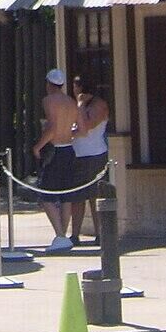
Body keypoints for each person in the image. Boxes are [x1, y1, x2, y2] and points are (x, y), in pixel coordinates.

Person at [32, 67, 81, 252]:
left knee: (46, 194)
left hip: (56, 151)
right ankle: (62, 235)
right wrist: (67, 132)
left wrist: (38, 146)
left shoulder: (49, 100)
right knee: (66, 194)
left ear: (48, 84)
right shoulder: (71, 102)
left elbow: (52, 127)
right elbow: (81, 130)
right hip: (69, 149)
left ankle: (60, 235)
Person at [67, 74, 111, 243]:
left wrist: (80, 106)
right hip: (77, 154)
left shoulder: (98, 105)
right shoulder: (77, 105)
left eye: (75, 86)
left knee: (95, 196)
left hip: (95, 155)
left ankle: (100, 234)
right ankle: (75, 234)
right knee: (77, 198)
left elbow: (85, 128)